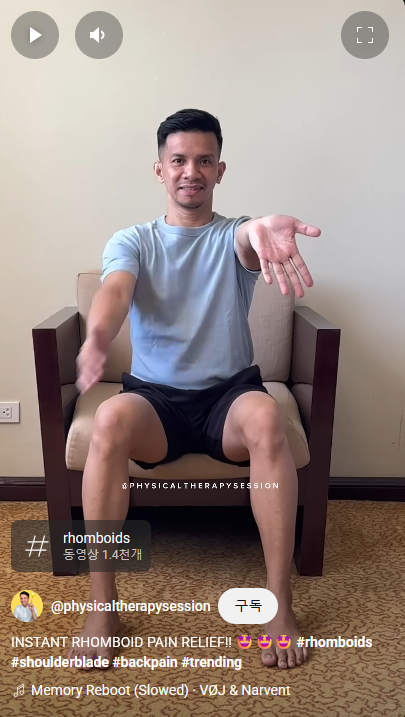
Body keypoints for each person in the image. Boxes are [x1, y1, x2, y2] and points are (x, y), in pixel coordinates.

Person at [68, 108, 321, 671]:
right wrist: (99, 336)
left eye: (204, 161)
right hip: (156, 403)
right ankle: (102, 606)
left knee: (267, 417)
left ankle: (279, 604)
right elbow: (116, 290)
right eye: (179, 160)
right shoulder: (134, 240)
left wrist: (262, 228)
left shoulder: (234, 235)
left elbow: (250, 238)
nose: (191, 171)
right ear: (159, 169)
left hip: (228, 397)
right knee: (108, 419)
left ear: (220, 170)